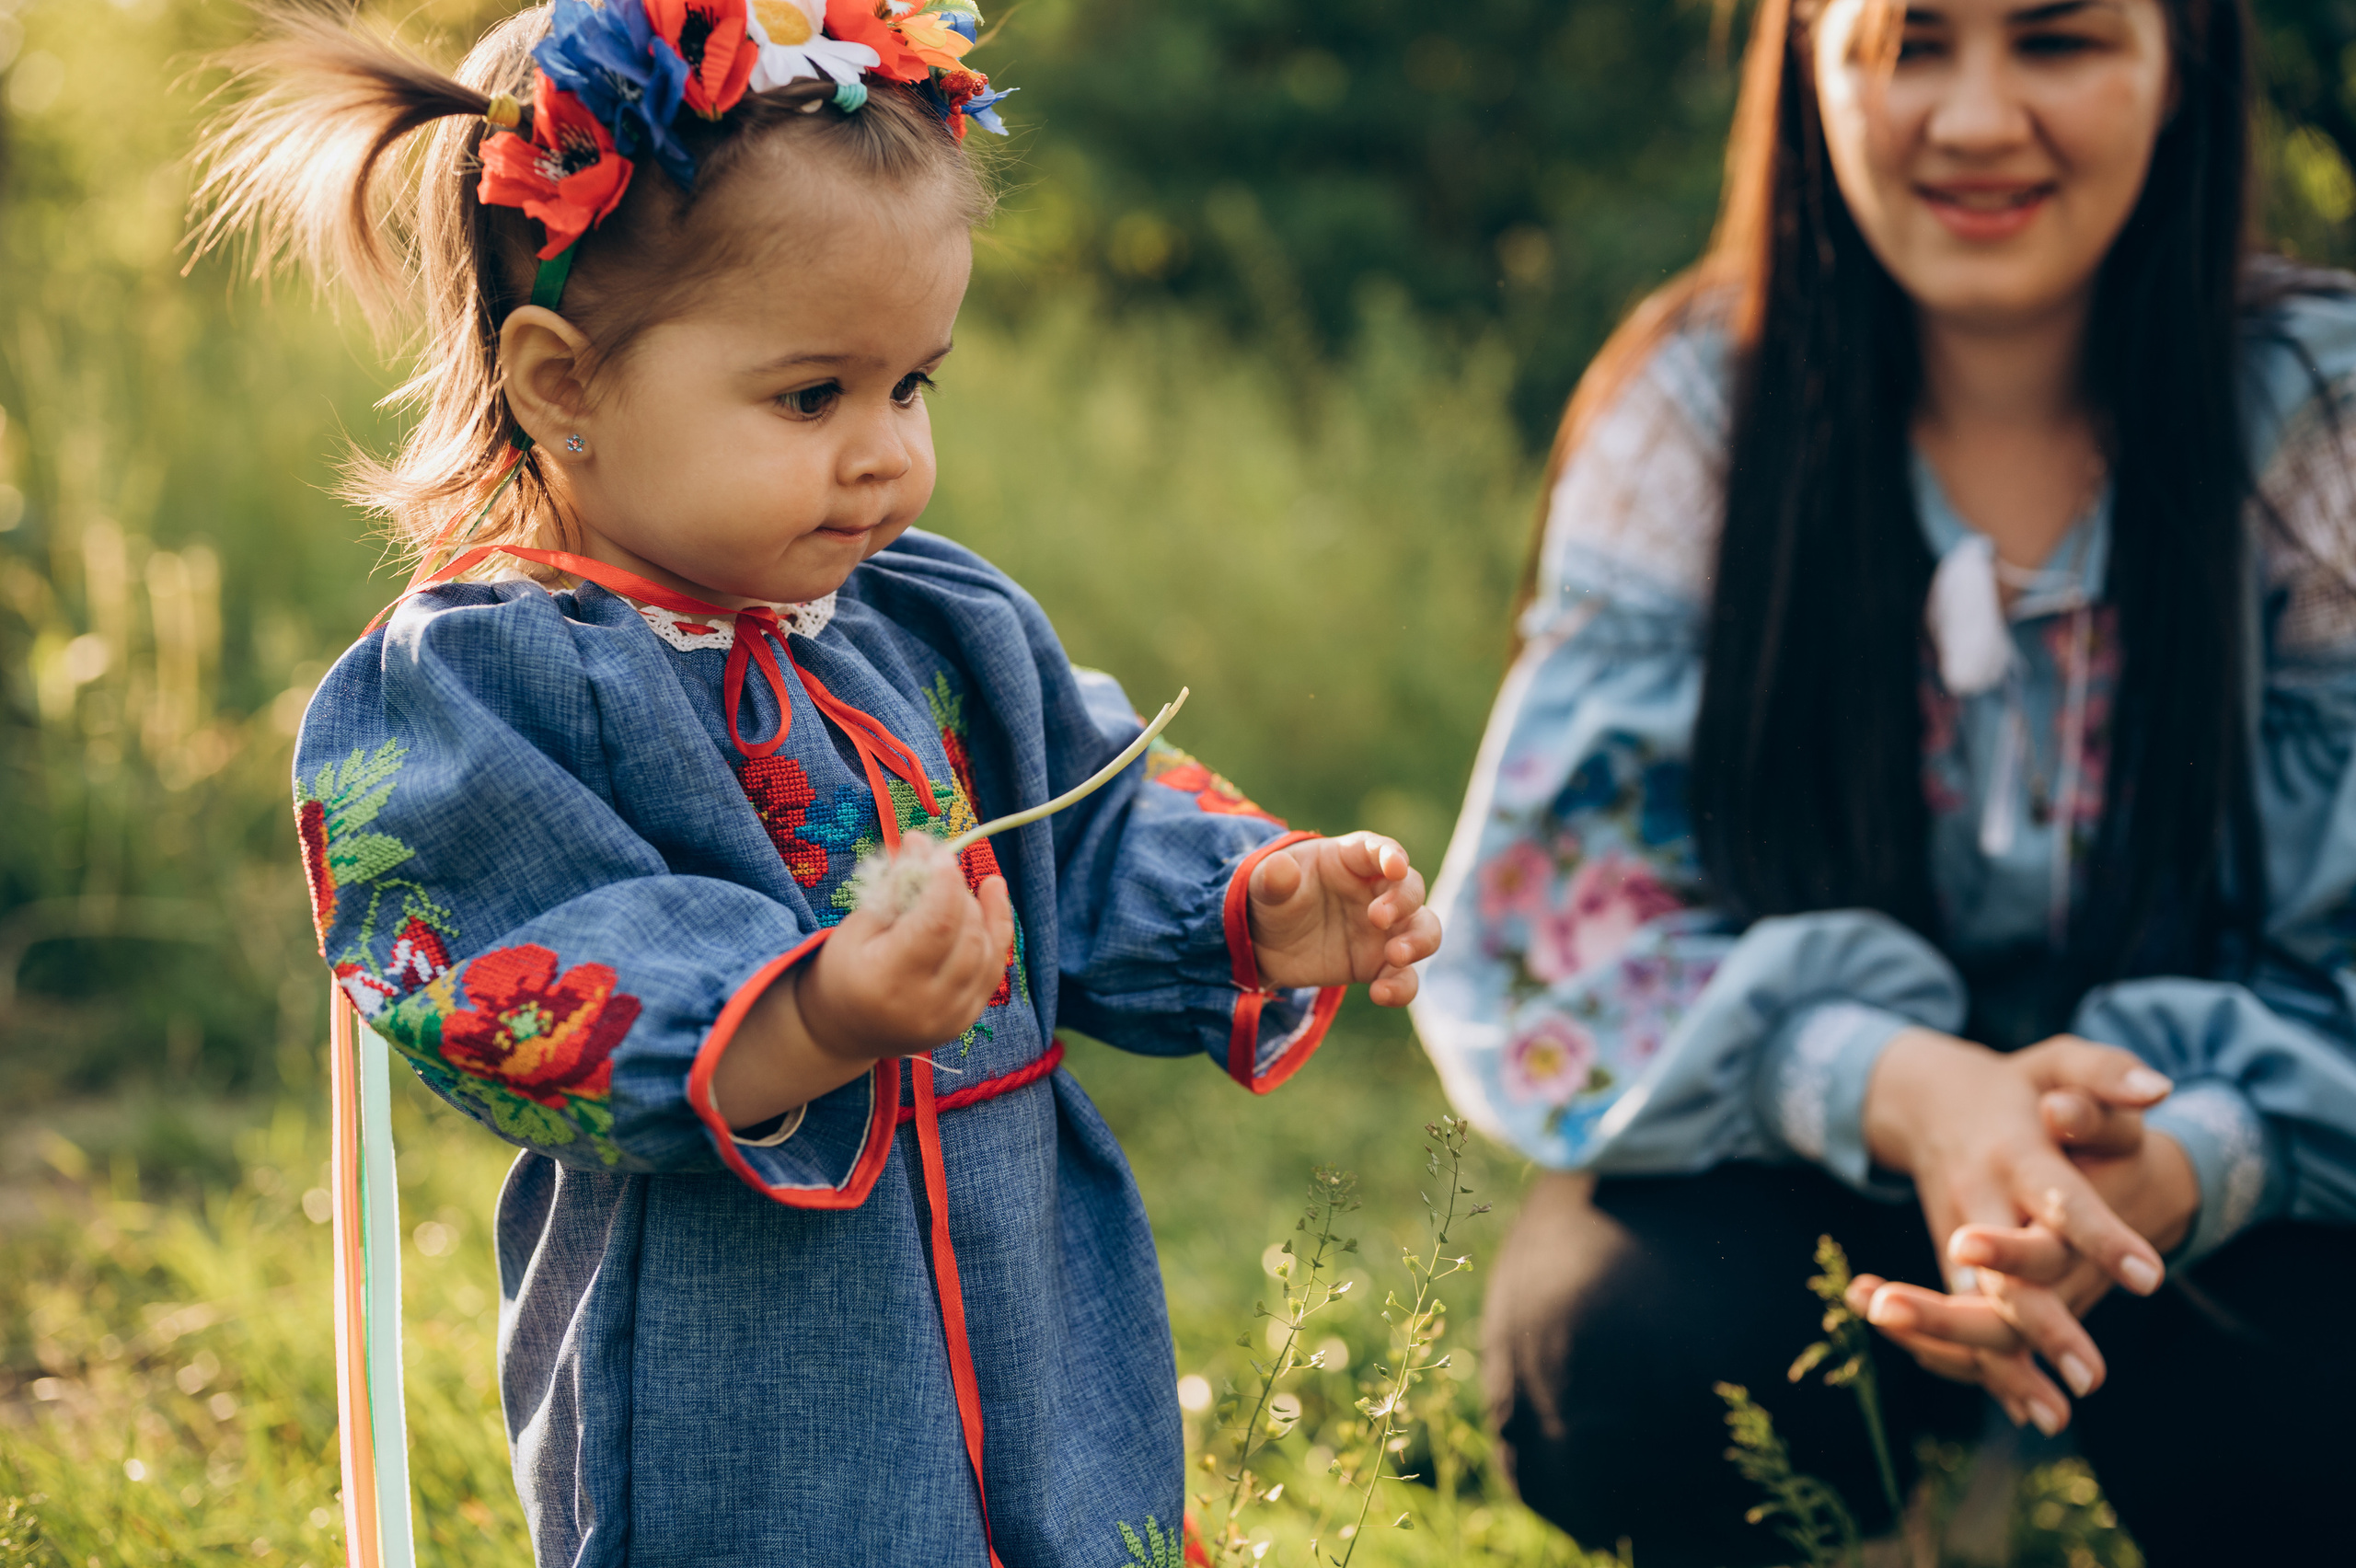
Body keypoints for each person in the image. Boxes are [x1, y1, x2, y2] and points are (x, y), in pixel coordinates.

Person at [193, 4, 1441, 1562]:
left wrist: (1253, 907)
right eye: (811, 398)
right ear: (560, 382)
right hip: (749, 1361)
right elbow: (513, 965)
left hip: (1024, 1299)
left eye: (913, 384)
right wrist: (817, 1013)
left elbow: (1093, 814)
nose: (886, 457)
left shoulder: (928, 620)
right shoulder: (493, 682)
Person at [1411, 0, 2356, 1561]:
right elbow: (1554, 925)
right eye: (1914, 43)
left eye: (2056, 43)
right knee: (1619, 1352)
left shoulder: (2320, 416)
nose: (1977, 120)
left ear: (2182, 64)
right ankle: (1887, 1503)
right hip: (1813, 1151)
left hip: (2216, 1171)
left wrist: (2186, 1156)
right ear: (1810, 65)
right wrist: (1902, 1087)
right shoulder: (1701, 403)